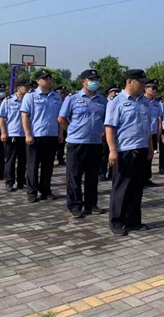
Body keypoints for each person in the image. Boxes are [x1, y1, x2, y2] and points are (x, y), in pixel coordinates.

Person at [105, 69, 153, 236]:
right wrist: (112, 150)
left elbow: (147, 126)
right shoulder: (116, 101)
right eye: (141, 82)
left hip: (141, 149)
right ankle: (117, 221)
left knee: (137, 187)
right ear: (129, 82)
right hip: (124, 151)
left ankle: (133, 220)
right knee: (121, 188)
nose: (143, 85)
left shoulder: (144, 101)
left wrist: (150, 146)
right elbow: (110, 127)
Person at [58, 69, 108, 219]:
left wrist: (103, 131)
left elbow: (107, 119)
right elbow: (61, 118)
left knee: (92, 176)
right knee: (74, 176)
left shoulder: (102, 99)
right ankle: (75, 205)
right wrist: (71, 131)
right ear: (83, 82)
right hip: (76, 143)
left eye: (96, 79)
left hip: (95, 143)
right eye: (91, 79)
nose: (95, 82)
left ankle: (91, 204)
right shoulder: (72, 98)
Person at [21, 70, 63, 203]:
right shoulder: (31, 96)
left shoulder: (56, 96)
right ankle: (32, 192)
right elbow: (25, 116)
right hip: (36, 136)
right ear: (38, 81)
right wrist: (28, 134)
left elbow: (60, 117)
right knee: (33, 165)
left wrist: (60, 133)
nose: (48, 81)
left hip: (51, 135)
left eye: (49, 78)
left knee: (48, 165)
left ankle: (46, 190)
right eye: (45, 79)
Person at [0, 79, 32, 191]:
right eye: (26, 87)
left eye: (29, 87)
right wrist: (3, 132)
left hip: (26, 135)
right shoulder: (8, 100)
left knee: (23, 160)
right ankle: (9, 182)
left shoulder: (30, 99)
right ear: (19, 88)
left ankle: (21, 182)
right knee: (11, 160)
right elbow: (2, 118)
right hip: (12, 134)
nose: (28, 89)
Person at [143, 79, 163, 187]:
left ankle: (147, 177)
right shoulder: (141, 101)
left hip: (153, 132)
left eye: (156, 88)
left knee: (150, 155)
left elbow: (159, 117)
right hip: (144, 133)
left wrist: (160, 129)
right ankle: (140, 178)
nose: (155, 90)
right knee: (143, 156)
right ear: (146, 89)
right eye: (153, 88)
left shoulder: (156, 103)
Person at [100, 85, 120, 181]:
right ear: (109, 93)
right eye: (114, 92)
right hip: (105, 132)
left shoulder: (118, 102)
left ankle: (112, 173)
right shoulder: (104, 102)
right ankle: (102, 172)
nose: (116, 93)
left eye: (118, 91)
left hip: (115, 133)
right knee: (104, 154)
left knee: (114, 153)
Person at [54, 86, 68, 166]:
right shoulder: (54, 101)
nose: (62, 95)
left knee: (61, 144)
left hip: (63, 126)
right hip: (54, 126)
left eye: (64, 93)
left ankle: (60, 158)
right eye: (61, 93)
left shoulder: (65, 102)